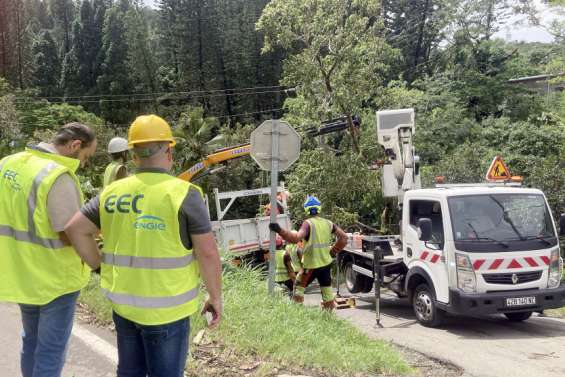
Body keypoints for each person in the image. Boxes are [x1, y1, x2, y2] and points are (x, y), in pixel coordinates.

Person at [64, 114, 222, 377]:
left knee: (130, 371)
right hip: (167, 312)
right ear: (169, 151)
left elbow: (75, 229)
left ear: (133, 155)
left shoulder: (112, 193)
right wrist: (215, 297)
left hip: (124, 306)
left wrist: (99, 266)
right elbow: (207, 253)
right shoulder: (185, 194)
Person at [0, 122, 97, 377]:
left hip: (20, 273)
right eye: (85, 157)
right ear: (75, 145)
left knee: (30, 341)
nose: (84, 164)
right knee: (51, 351)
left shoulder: (8, 163)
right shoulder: (57, 176)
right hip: (55, 279)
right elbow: (69, 233)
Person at [269, 195, 347, 310]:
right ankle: (328, 316)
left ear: (306, 209)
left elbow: (295, 238)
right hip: (326, 264)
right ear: (319, 208)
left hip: (310, 266)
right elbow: (344, 238)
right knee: (326, 290)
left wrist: (279, 230)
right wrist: (333, 251)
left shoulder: (308, 223)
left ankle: (297, 312)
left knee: (298, 288)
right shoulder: (328, 223)